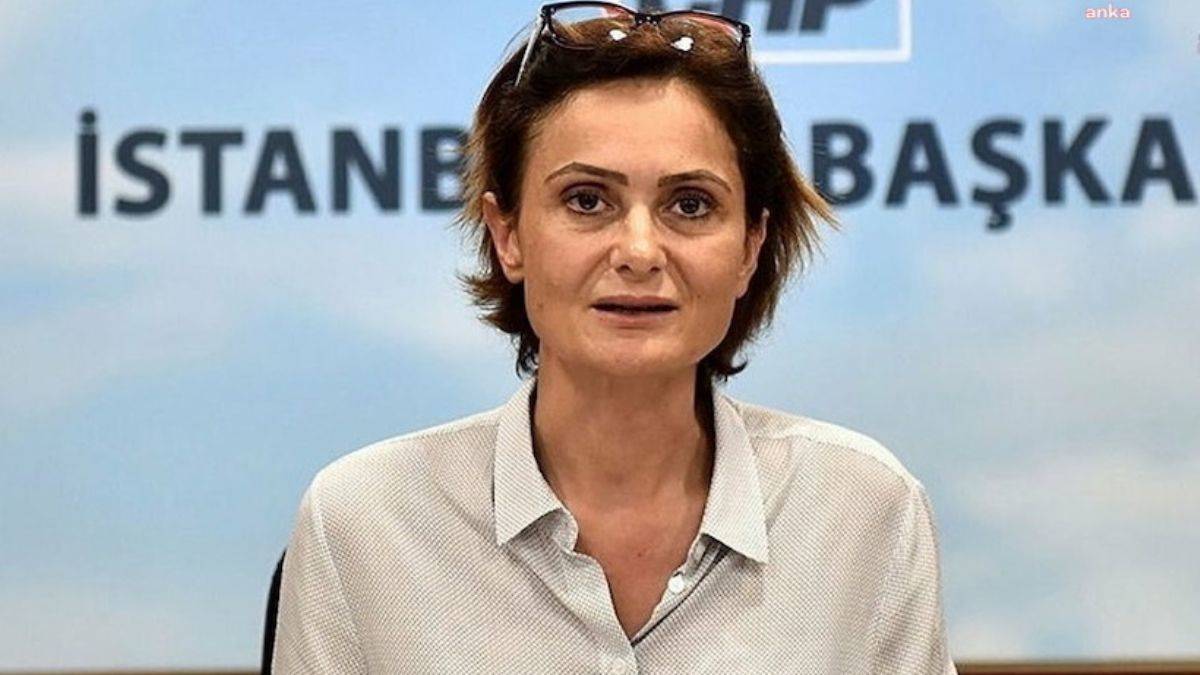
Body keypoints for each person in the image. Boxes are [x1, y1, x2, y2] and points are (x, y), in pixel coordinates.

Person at [271, 2, 956, 673]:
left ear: (751, 246)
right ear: (508, 235)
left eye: (690, 204)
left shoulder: (863, 510)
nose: (638, 252)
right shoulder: (364, 521)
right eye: (586, 200)